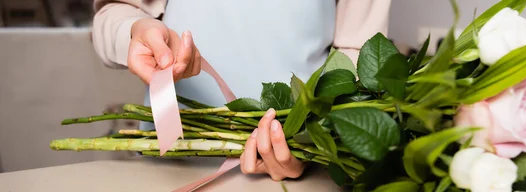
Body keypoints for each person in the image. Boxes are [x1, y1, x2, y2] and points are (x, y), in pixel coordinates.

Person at [91, 0, 391, 181]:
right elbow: (114, 13)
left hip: (296, 164)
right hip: (172, 158)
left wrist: (311, 138)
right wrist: (134, 31)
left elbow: (359, 50)